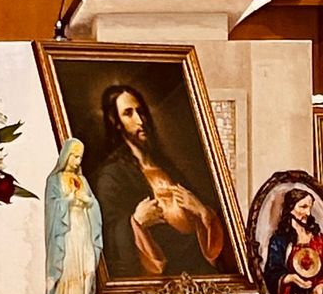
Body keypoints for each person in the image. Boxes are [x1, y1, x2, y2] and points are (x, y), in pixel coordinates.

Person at [87, 84, 230, 279]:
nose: (140, 120)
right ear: (116, 122)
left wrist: (202, 210)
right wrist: (135, 222)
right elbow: (104, 233)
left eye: (140, 112)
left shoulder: (165, 166)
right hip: (164, 272)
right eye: (128, 113)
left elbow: (205, 211)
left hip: (196, 266)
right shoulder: (113, 175)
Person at [43, 139, 102, 294]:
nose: (77, 161)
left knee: (86, 270)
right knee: (68, 270)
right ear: (65, 156)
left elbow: (93, 205)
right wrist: (67, 200)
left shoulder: (82, 180)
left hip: (82, 228)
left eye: (80, 158)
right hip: (66, 232)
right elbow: (52, 207)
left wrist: (88, 202)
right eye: (74, 156)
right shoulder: (55, 180)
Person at [263, 188, 323, 294]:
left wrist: (321, 287)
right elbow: (272, 272)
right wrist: (291, 278)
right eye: (303, 207)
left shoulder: (319, 239)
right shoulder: (280, 241)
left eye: (310, 207)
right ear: (290, 208)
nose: (308, 213)